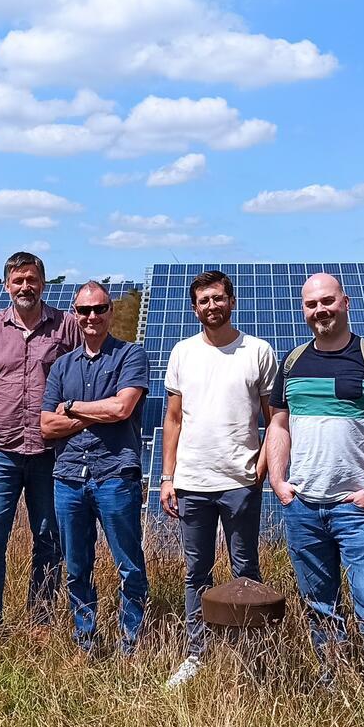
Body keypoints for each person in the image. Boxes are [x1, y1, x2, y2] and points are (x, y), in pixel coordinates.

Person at [265, 273, 364, 722]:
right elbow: (278, 424)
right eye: (311, 304)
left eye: (327, 301)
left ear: (345, 302)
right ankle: (338, 689)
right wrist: (279, 482)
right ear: (303, 310)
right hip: (304, 507)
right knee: (319, 606)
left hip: (355, 509)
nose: (320, 310)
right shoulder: (292, 363)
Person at [160, 270, 278, 688]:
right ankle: (197, 653)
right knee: (197, 571)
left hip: (240, 482)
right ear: (194, 308)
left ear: (232, 301)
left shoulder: (258, 352)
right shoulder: (183, 353)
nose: (211, 306)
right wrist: (168, 476)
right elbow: (172, 419)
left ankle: (252, 653)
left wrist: (261, 469)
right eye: (203, 301)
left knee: (245, 569)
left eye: (218, 298)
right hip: (192, 482)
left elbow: (274, 419)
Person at [0, 251, 80, 637]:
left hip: (50, 451)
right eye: (17, 280)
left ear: (43, 283)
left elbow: (85, 375)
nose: (25, 286)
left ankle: (40, 620)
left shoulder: (68, 326)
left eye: (31, 279)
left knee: (49, 536)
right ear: (6, 285)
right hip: (0, 449)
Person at [41, 281, 149, 657]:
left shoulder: (130, 356)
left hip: (115, 475)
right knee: (76, 566)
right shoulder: (61, 366)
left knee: (129, 565)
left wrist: (71, 407)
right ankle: (86, 640)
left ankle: (130, 644)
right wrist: (96, 413)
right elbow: (45, 426)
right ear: (75, 314)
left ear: (110, 312)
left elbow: (122, 409)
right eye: (84, 311)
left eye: (99, 309)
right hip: (68, 477)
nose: (91, 317)